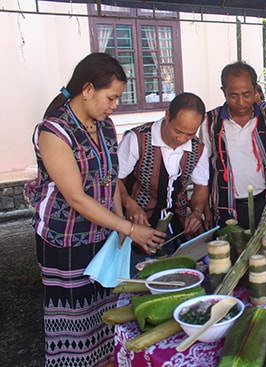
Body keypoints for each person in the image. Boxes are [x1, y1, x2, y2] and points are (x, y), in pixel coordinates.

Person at [25, 53, 166, 367]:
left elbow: (110, 178)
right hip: (65, 241)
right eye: (111, 97)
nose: (114, 105)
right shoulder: (54, 131)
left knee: (107, 313)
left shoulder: (104, 126)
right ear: (87, 89)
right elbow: (74, 197)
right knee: (75, 322)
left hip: (100, 234)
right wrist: (128, 227)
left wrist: (118, 225)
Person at [117, 92, 212, 263]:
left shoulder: (199, 149)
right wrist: (130, 204)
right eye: (177, 131)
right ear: (167, 115)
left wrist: (197, 212)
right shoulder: (137, 138)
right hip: (138, 227)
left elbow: (201, 186)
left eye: (189, 134)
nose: (182, 138)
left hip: (177, 228)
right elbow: (115, 179)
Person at [201, 62, 266, 229]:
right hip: (224, 206)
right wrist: (206, 210)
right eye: (233, 95)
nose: (240, 102)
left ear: (255, 89)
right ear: (223, 91)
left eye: (246, 94)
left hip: (264, 202)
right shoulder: (210, 122)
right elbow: (202, 170)